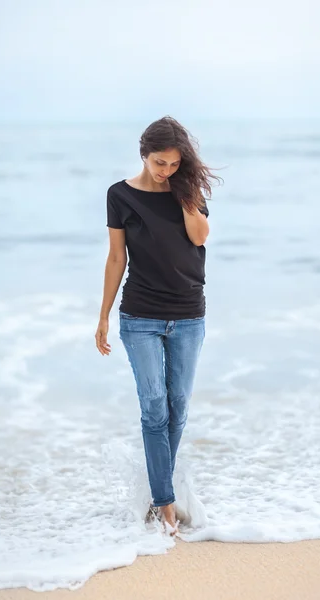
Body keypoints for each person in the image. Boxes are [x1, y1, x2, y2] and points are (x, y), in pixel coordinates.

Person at [95, 115, 222, 536]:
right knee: (153, 408)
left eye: (173, 163)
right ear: (143, 154)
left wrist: (184, 193)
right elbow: (117, 258)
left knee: (178, 407)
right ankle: (164, 503)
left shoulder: (188, 190)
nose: (165, 170)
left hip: (188, 314)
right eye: (159, 163)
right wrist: (103, 315)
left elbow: (200, 238)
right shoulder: (120, 195)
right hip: (140, 315)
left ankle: (158, 488)